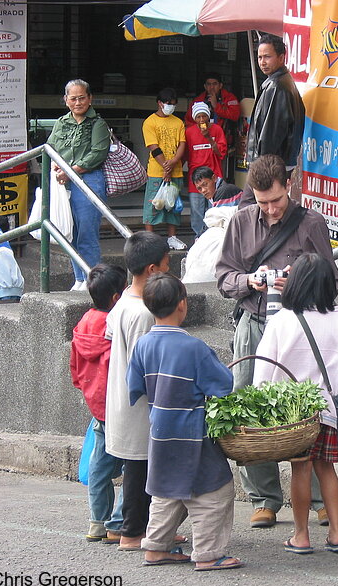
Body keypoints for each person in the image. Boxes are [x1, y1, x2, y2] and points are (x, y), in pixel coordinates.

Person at [215, 154, 338, 529]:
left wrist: (298, 285)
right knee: (249, 408)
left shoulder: (311, 223)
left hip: (300, 328)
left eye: (276, 201)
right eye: (262, 202)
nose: (269, 210)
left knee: (309, 407)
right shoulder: (240, 221)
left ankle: (318, 499)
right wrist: (248, 281)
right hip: (254, 322)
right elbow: (223, 277)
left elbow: (331, 281)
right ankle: (263, 499)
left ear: (289, 186)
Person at [127, 273, 243, 571]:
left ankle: (155, 547)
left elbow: (134, 387)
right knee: (216, 489)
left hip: (160, 430)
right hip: (192, 432)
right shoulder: (195, 348)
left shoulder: (142, 345)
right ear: (183, 305)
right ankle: (207, 553)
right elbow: (223, 384)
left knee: (166, 488)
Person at [254, 253, 338, 554]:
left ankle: (301, 536)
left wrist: (262, 407)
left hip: (294, 415)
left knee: (300, 471)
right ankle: (337, 534)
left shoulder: (282, 321)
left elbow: (264, 369)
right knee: (327, 469)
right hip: (327, 410)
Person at [104, 232, 174, 550]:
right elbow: (144, 367)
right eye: (166, 264)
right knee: (140, 471)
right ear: (152, 269)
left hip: (121, 401)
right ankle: (133, 533)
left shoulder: (122, 304)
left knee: (143, 469)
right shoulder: (145, 314)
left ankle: (148, 529)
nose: (169, 269)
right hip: (139, 407)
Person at [70, 263, 127, 543]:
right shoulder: (115, 325)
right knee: (135, 464)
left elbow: (75, 368)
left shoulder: (83, 322)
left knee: (100, 465)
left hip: (96, 403)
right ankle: (118, 521)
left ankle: (98, 521)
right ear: (117, 297)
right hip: (119, 404)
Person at [46, 78, 110, 291]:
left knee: (87, 231)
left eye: (82, 97)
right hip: (63, 181)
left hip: (88, 180)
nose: (78, 102)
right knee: (70, 231)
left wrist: (70, 172)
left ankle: (92, 278)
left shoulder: (98, 123)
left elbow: (97, 154)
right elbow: (50, 148)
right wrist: (57, 168)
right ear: (66, 100)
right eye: (73, 98)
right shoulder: (61, 123)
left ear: (90, 99)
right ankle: (79, 278)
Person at [238, 34, 305, 208]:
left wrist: (261, 169)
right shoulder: (279, 82)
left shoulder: (277, 87)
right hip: (276, 164)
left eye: (267, 56)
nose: (262, 62)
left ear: (281, 57)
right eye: (259, 57)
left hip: (268, 166)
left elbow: (271, 135)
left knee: (248, 210)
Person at [142, 88, 188, 251]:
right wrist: (166, 167)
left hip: (174, 170)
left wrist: (174, 161)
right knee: (153, 205)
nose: (171, 107)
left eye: (174, 104)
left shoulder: (178, 122)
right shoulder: (150, 122)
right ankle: (149, 239)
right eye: (168, 104)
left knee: (172, 205)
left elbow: (182, 144)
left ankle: (172, 238)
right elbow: (153, 147)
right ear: (159, 103)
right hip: (156, 171)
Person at [185, 102, 228, 237]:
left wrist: (208, 137)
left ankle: (214, 237)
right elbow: (185, 154)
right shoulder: (189, 132)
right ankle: (199, 237)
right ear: (194, 118)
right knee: (197, 211)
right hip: (195, 179)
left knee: (214, 209)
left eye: (204, 116)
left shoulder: (217, 130)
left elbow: (221, 153)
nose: (202, 120)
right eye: (198, 117)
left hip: (213, 176)